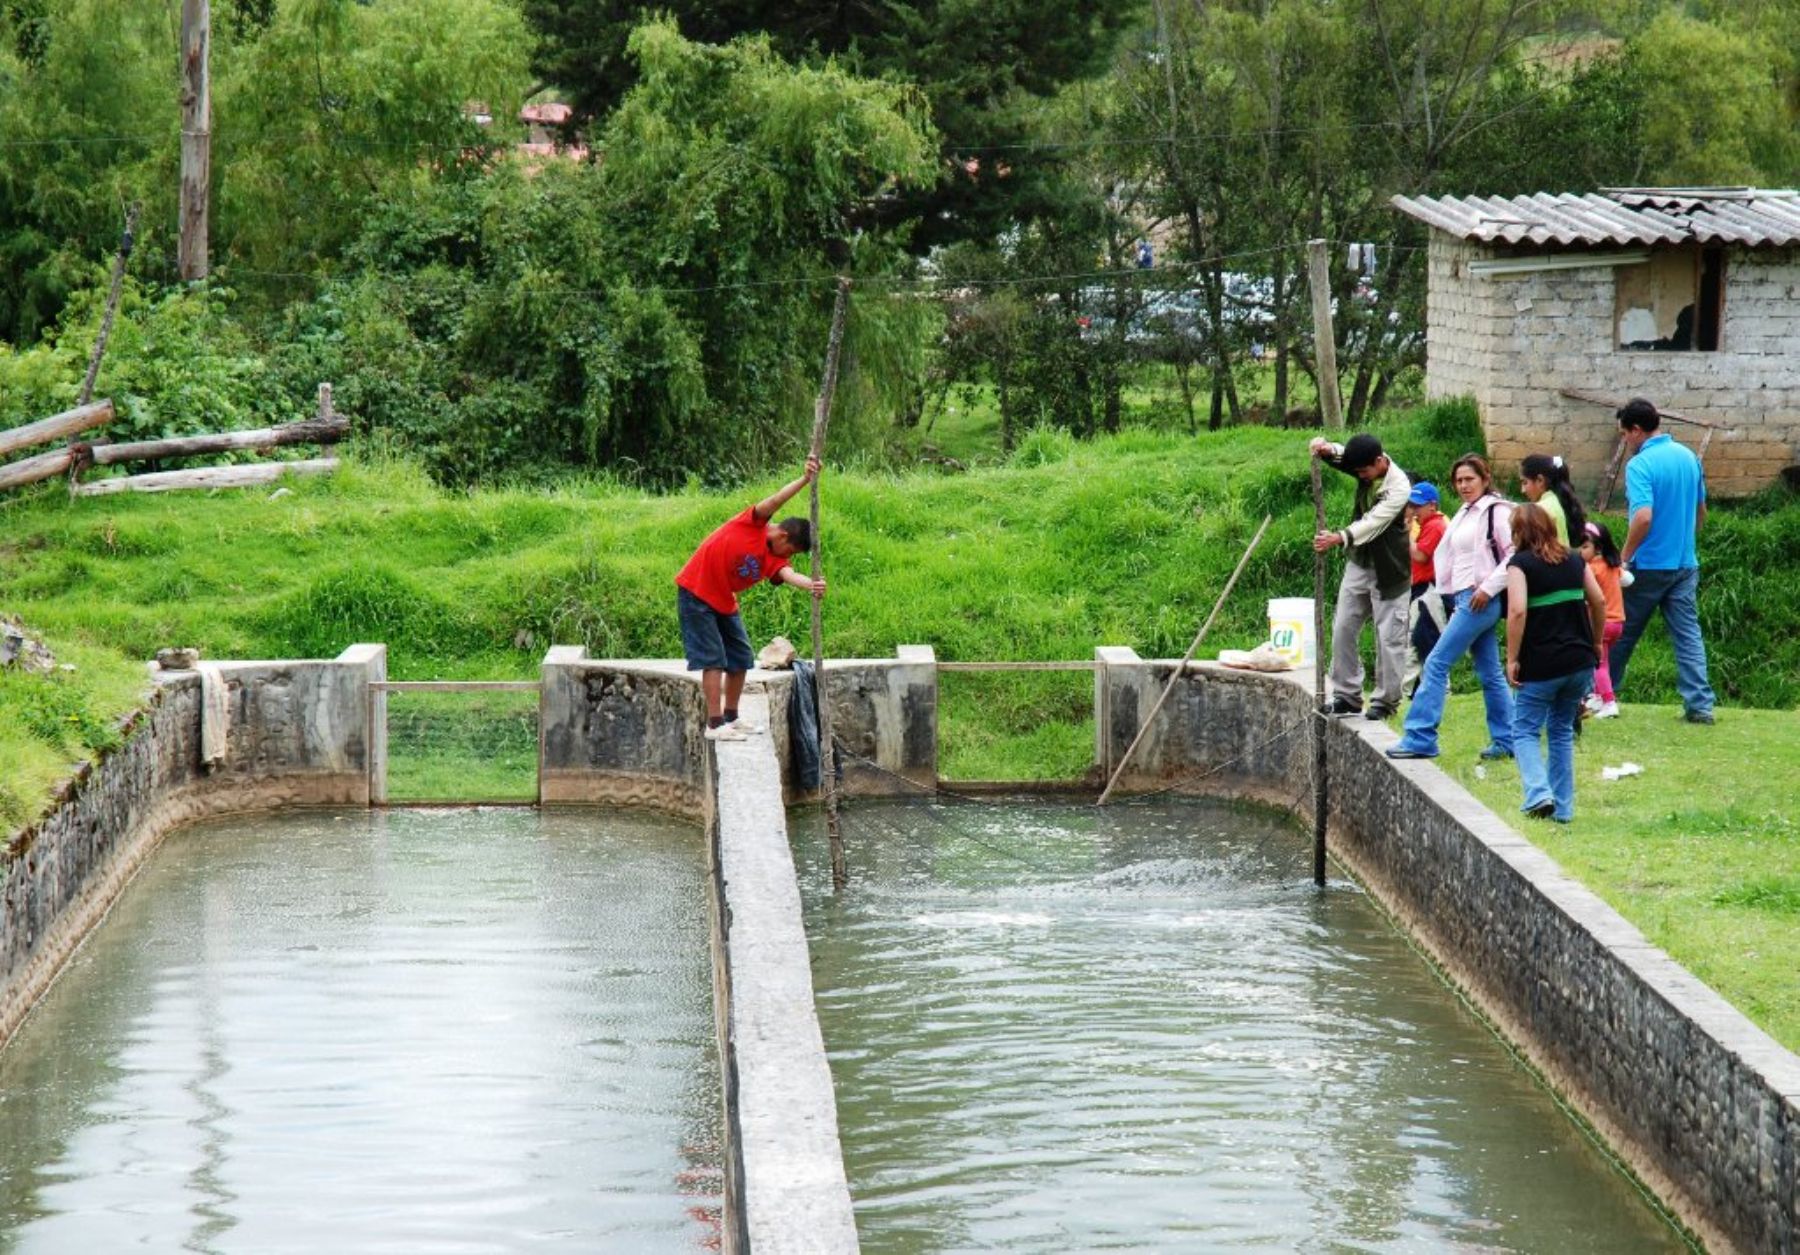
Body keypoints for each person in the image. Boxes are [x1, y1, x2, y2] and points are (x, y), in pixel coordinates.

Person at [675, 456, 828, 742]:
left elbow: (790, 576)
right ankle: (715, 723)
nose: (789, 557)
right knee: (713, 660)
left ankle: (732, 717)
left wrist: (813, 585)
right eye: (791, 551)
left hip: (723, 601)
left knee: (741, 657)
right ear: (782, 535)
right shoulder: (752, 523)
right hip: (696, 592)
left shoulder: (774, 560)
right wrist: (805, 479)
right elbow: (775, 500)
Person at [1387, 454, 1515, 761]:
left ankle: (1420, 736)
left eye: (1470, 479)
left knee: (1436, 662)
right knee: (1489, 672)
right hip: (1463, 596)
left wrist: (1487, 588)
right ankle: (1508, 739)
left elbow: (1514, 554)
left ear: (1485, 479)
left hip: (1479, 597)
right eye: (1459, 480)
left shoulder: (1496, 511)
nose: (1463, 485)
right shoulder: (1465, 512)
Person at [1608, 398, 1717, 724]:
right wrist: (1684, 543)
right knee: (1688, 636)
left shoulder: (1640, 465)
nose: (1624, 441)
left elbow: (1642, 517)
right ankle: (1699, 706)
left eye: (1624, 434)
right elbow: (1701, 513)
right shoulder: (1688, 457)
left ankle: (1601, 695)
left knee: (1621, 634)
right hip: (1685, 564)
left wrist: (1623, 558)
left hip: (1648, 565)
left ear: (1636, 430)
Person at [1504, 503, 1607, 822]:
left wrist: (1511, 658)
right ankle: (1562, 809)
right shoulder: (1575, 559)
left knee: (1524, 730)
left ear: (1518, 533)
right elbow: (1599, 600)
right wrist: (1595, 642)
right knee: (1561, 730)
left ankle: (1538, 793)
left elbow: (1518, 611)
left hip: (1541, 663)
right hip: (1578, 661)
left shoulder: (1519, 564)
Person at [1310, 434, 1412, 719]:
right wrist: (1328, 450)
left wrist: (1339, 537)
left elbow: (1374, 522)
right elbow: (1346, 459)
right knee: (1343, 626)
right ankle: (1347, 695)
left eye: (1364, 471)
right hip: (1360, 562)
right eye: (1357, 472)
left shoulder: (1399, 487)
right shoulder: (1366, 464)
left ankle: (1385, 701)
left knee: (1388, 637)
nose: (1361, 476)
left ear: (1379, 462)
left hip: (1391, 570)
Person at [1403, 481, 1449, 697]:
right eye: (1411, 505)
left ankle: (1422, 689)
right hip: (1424, 590)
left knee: (1424, 639)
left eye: (1417, 506)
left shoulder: (1434, 526)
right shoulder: (1430, 524)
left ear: (1432, 505)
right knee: (1421, 638)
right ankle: (1421, 689)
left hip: (1429, 591)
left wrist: (1406, 534)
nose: (1413, 511)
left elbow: (1420, 555)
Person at [1580, 520, 1628, 719]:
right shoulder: (1612, 566)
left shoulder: (1590, 569)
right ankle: (1599, 696)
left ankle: (1609, 702)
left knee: (1599, 664)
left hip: (1600, 623)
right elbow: (1628, 580)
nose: (1580, 551)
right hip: (1618, 622)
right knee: (1604, 659)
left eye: (1584, 546)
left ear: (1597, 547)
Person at [1518, 453, 1587, 547]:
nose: (1522, 490)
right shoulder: (1557, 502)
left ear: (1540, 480)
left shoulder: (1541, 509)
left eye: (1525, 482)